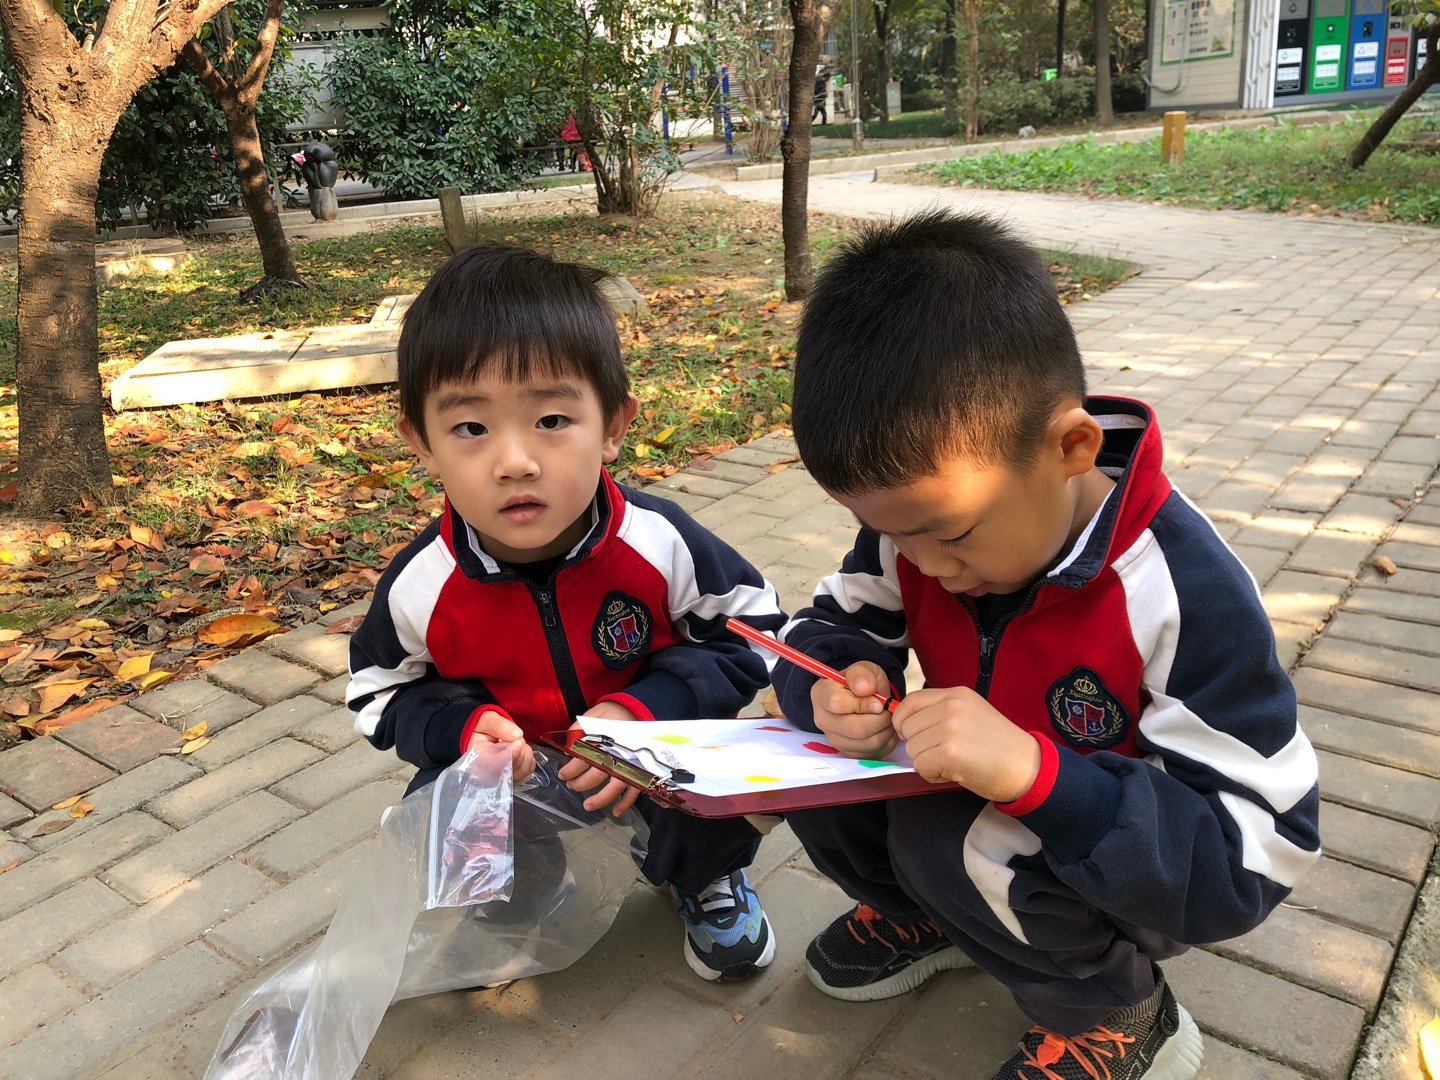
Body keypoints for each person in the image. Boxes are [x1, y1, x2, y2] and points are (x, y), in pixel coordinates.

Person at [771, 209, 1321, 1080]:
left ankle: (1116, 1008)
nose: (924, 566)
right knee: (808, 765)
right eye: (890, 532)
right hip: (999, 819)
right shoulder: (920, 528)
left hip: (1144, 869)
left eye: (949, 534)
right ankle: (933, 917)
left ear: (1071, 446)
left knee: (952, 838)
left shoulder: (1178, 589)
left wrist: (1039, 776)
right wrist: (833, 683)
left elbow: (1252, 853)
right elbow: (823, 626)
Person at [347, 243, 786, 983]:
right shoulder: (423, 583)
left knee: (722, 783)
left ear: (612, 425)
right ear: (421, 442)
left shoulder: (657, 541)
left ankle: (704, 875)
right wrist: (462, 728)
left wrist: (645, 713)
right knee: (438, 815)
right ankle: (523, 890)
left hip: (648, 756)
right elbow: (376, 691)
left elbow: (758, 630)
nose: (515, 461)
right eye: (471, 428)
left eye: (552, 418)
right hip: (520, 773)